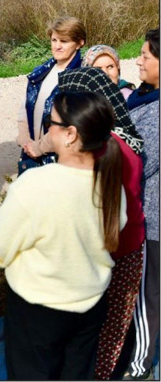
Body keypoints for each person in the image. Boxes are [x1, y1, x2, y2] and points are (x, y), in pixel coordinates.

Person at [0, 91, 126, 380]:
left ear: (70, 134)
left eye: (51, 122)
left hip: (38, 311)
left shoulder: (35, 184)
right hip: (91, 304)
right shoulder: (112, 184)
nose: (47, 128)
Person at [56, 66, 147, 379]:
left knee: (98, 334)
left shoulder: (100, 152)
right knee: (112, 329)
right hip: (126, 250)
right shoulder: (122, 140)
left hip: (108, 254)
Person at [122, 28, 160, 380]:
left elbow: (141, 163)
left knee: (148, 296)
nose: (138, 60)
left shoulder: (157, 112)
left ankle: (139, 367)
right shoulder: (146, 99)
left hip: (153, 220)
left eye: (146, 56)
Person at [16, 16, 85, 174]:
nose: (57, 46)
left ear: (79, 43)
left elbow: (71, 124)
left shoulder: (80, 77)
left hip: (60, 160)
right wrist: (25, 140)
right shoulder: (41, 72)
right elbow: (25, 108)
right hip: (31, 155)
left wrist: (40, 147)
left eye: (64, 41)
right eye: (54, 40)